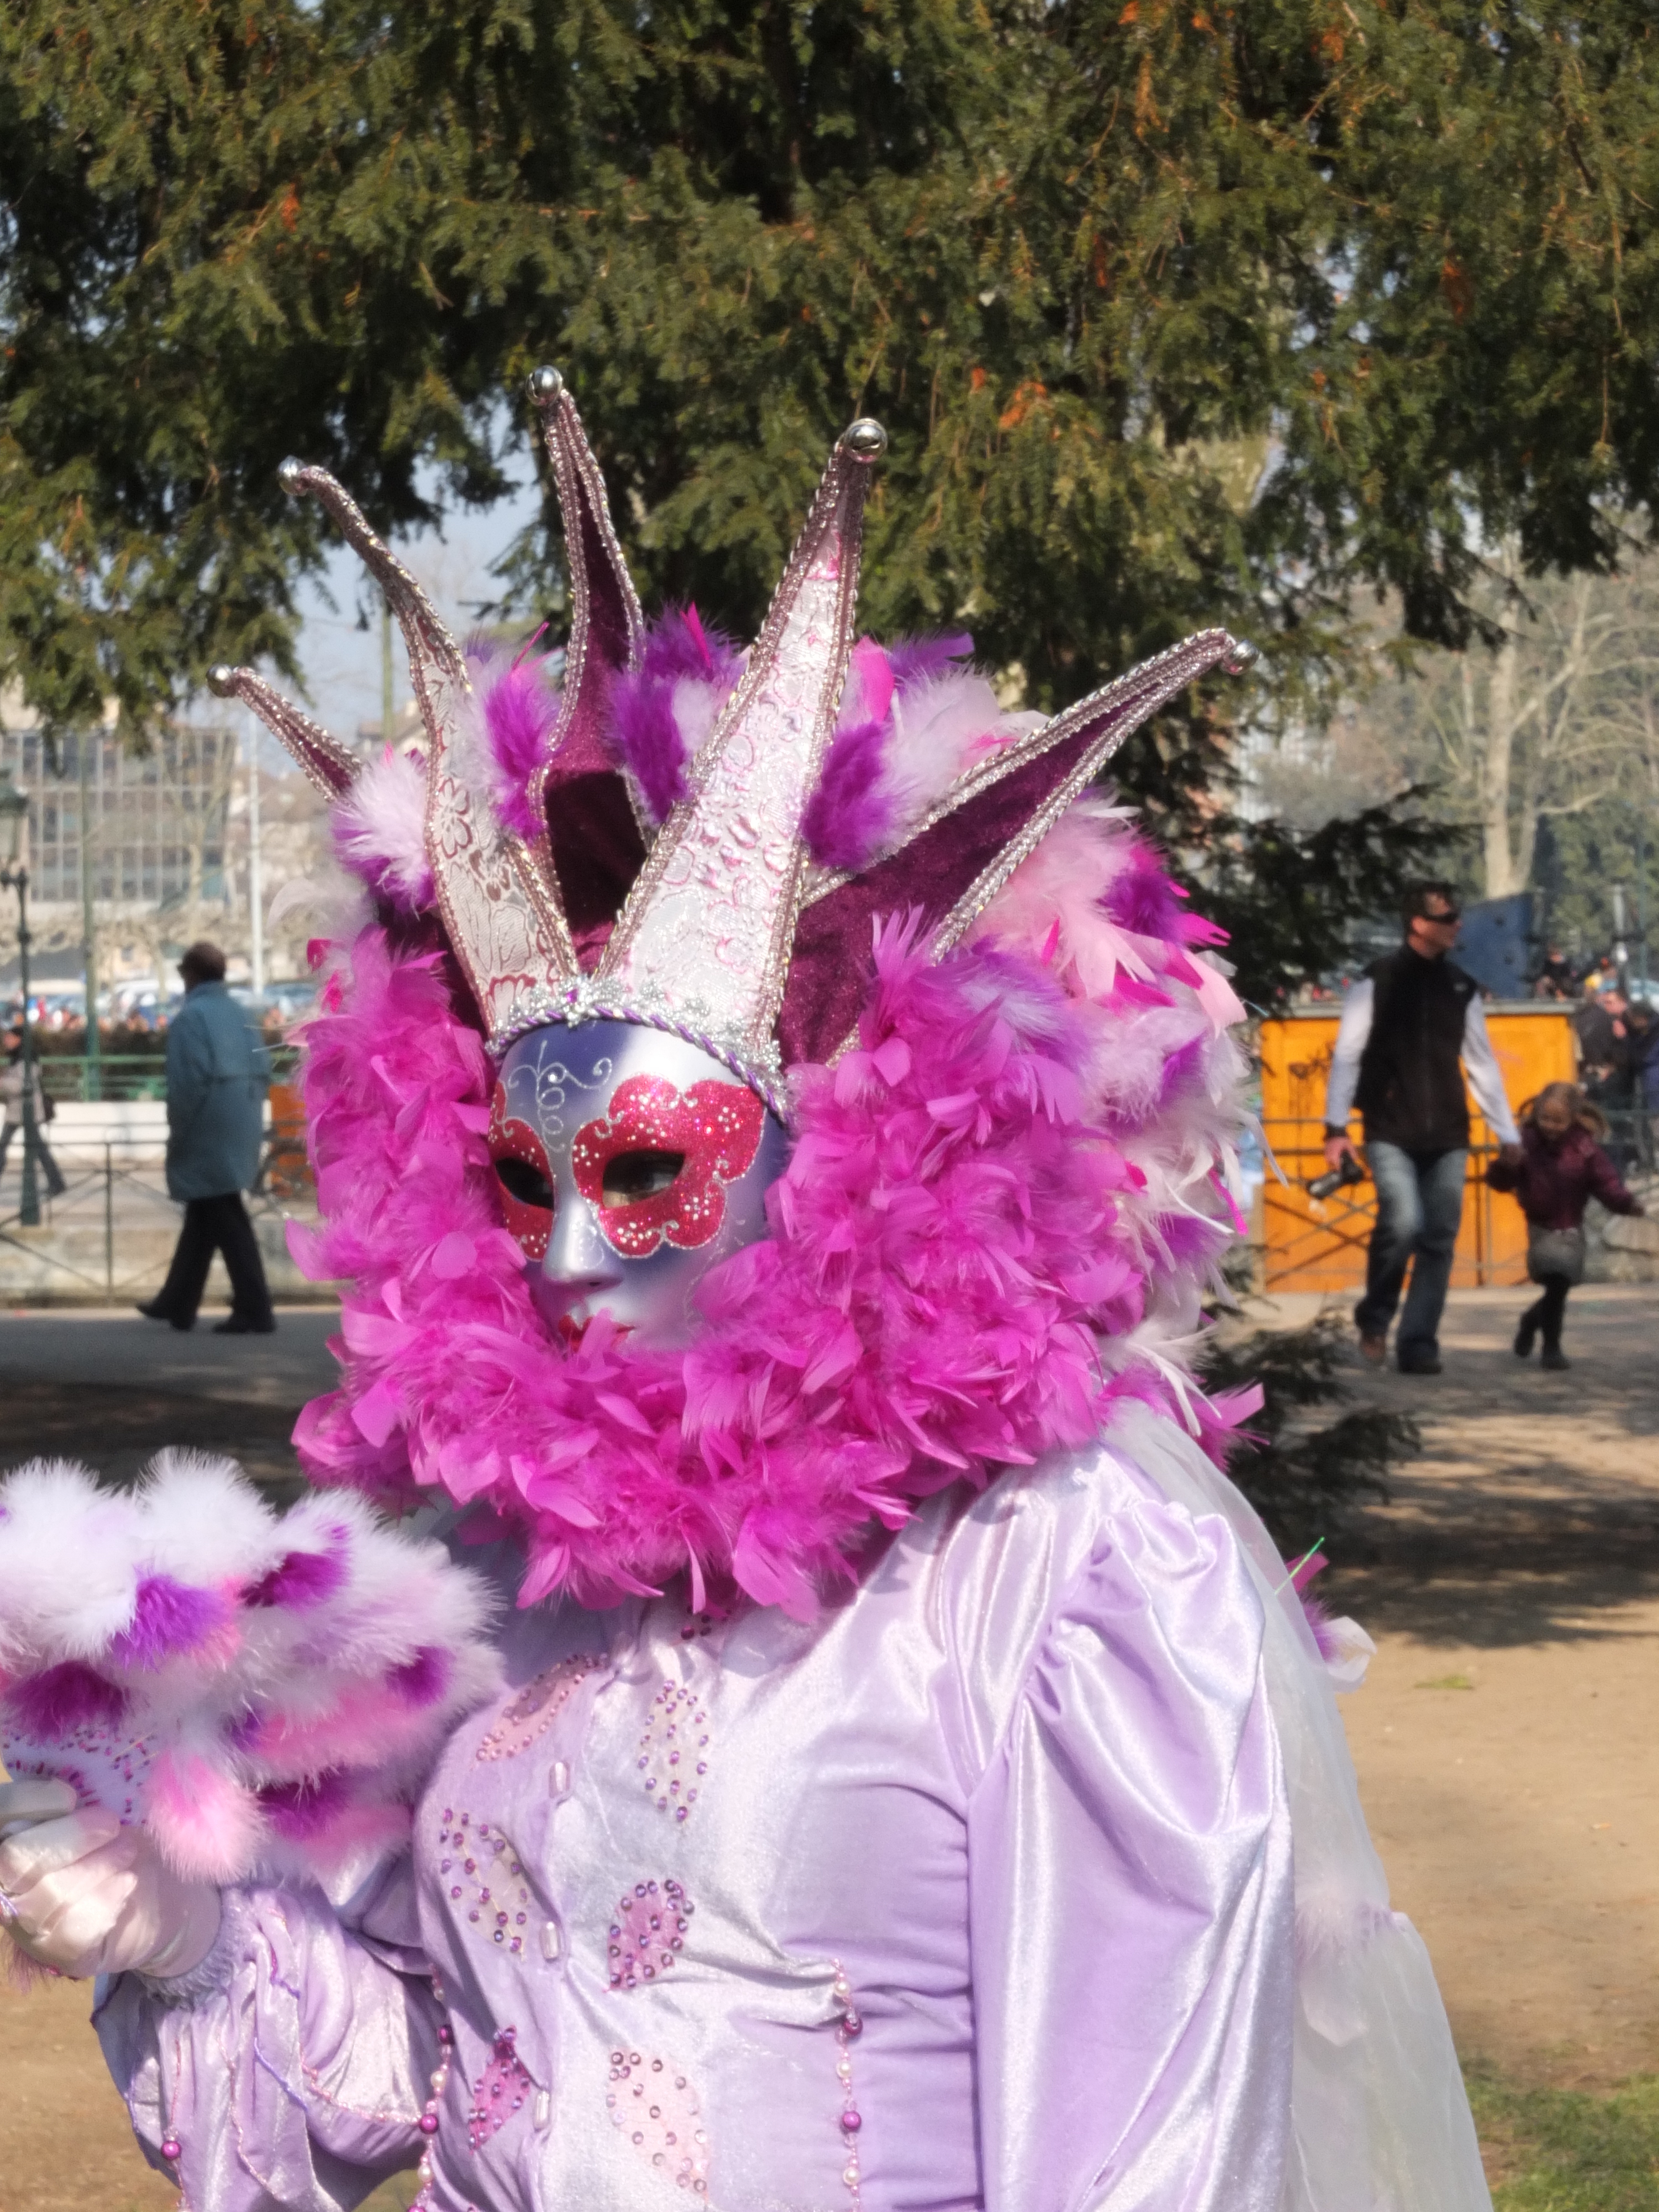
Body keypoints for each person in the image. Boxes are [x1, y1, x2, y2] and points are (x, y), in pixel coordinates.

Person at [0, 384, 1490, 2206]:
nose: (568, 1258)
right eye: (525, 1182)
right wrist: (187, 1931)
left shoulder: (1055, 1573)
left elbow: (1156, 2154)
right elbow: (397, 2076)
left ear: (844, 1152)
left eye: (641, 1170)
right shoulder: (500, 1565)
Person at [1324, 880, 1521, 1374]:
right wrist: (1335, 1126)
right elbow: (1347, 1056)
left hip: (1450, 1134)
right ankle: (1375, 1318)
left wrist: (1508, 1134)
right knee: (1404, 1221)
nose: (1458, 924)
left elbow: (1482, 1064)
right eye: (1448, 916)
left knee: (1438, 1238)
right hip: (1389, 1127)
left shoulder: (1461, 986)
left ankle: (1419, 1343)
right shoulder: (1376, 981)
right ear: (1419, 924)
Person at [136, 940, 275, 1335]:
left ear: (190, 975)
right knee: (208, 1208)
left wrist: (178, 1131)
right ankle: (177, 1301)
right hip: (243, 1115)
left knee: (221, 1209)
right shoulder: (240, 1012)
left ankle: (254, 1305)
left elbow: (186, 1084)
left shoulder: (191, 1018)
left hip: (207, 1121)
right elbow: (265, 1068)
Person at [1489, 1081, 1644, 1370]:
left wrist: (1626, 1203)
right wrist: (1507, 1166)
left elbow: (1606, 1183)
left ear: (1573, 1119)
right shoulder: (1525, 1143)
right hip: (1540, 1226)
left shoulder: (1585, 1149)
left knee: (1560, 1286)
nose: (1550, 1126)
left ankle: (1531, 1320)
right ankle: (1552, 1348)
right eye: (1545, 1118)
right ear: (1536, 1114)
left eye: (1558, 1121)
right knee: (1556, 1281)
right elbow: (1499, 1182)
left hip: (1571, 1225)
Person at [0, 1023, 67, 1198]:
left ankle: (57, 1182)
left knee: (35, 1148)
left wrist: (1, 1082)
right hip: (18, 1110)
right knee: (12, 1146)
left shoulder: (26, 1058)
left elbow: (21, 1085)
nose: (6, 1040)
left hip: (26, 1110)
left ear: (19, 1039)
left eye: (9, 1037)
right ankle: (57, 1182)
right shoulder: (18, 1057)